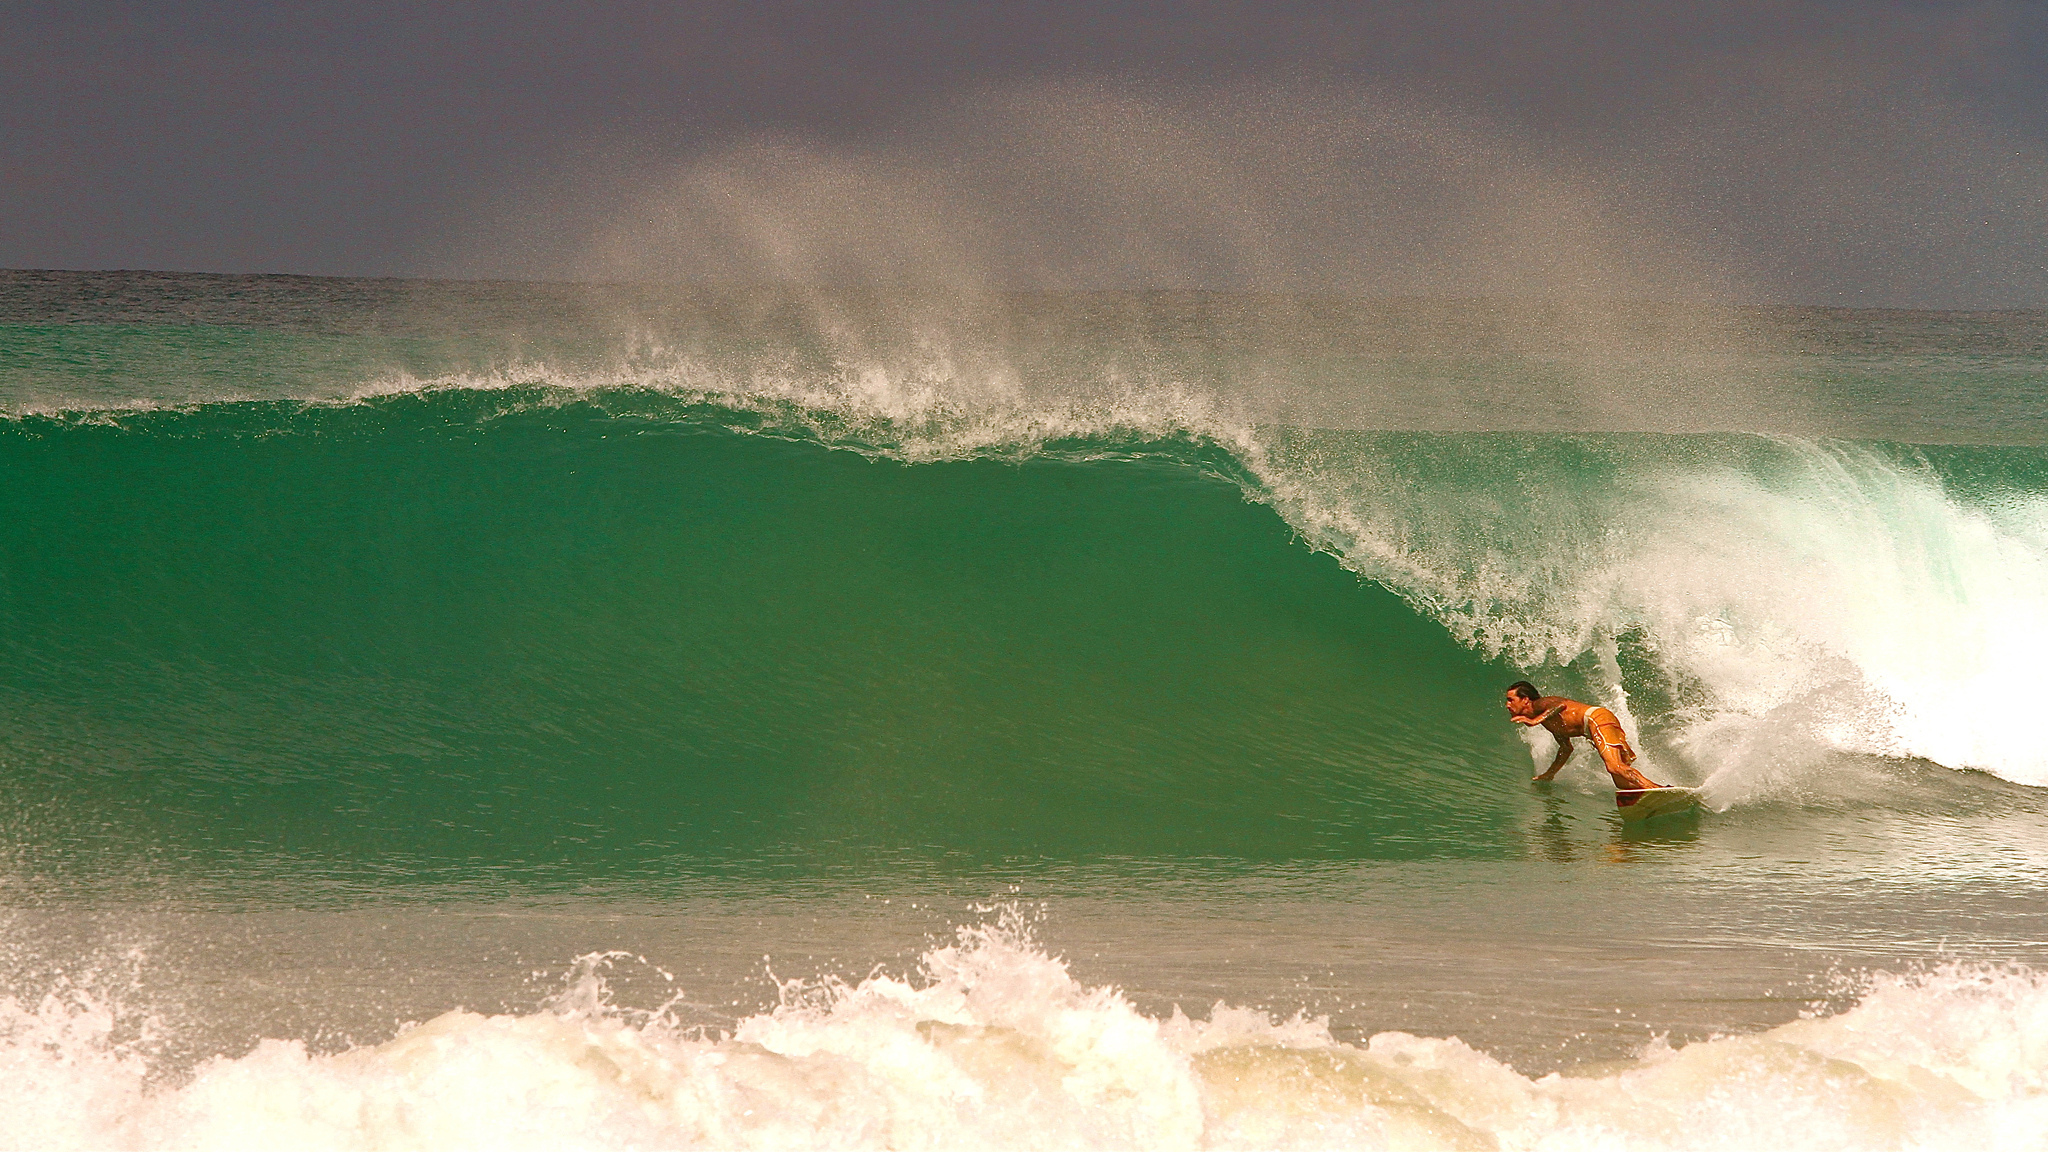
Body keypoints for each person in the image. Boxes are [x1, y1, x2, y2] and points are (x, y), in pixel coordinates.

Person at [1503, 681, 1665, 792]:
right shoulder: (1549, 722)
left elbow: (1560, 705)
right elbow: (1566, 748)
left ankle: (1658, 791)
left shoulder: (1541, 704)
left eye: (1511, 700)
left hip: (1596, 719)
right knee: (1621, 781)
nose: (1507, 705)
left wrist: (1533, 721)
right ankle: (1659, 790)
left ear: (1525, 700)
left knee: (1614, 766)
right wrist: (1550, 773)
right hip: (1597, 723)